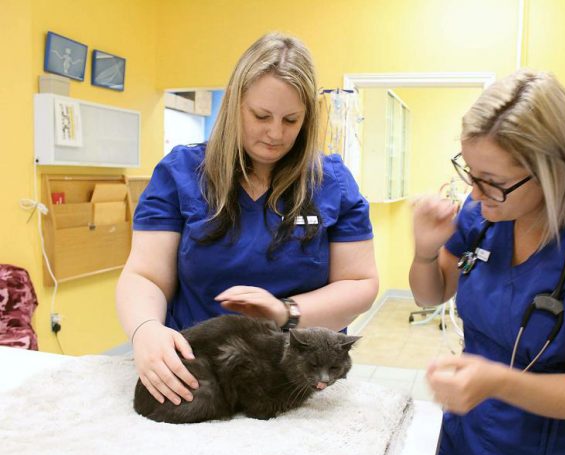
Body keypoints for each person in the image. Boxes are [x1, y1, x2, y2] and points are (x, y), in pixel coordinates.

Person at [117, 32, 378, 407]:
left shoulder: (331, 182)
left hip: (295, 381)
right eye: (261, 116)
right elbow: (145, 274)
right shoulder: (181, 172)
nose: (275, 133)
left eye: (291, 120)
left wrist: (285, 313)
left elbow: (359, 282)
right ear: (235, 104)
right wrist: (145, 331)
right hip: (196, 372)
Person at [409, 69, 565, 455]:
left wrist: (498, 382)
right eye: (470, 172)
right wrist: (423, 251)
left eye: (491, 180)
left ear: (552, 172)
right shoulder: (482, 213)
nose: (474, 192)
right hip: (467, 435)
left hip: (550, 449)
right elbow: (430, 293)